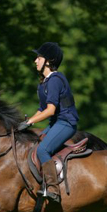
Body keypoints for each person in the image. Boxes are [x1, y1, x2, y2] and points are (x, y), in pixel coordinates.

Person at [17, 42, 79, 203]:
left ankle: (53, 189)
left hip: (66, 122)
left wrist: (30, 122)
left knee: (43, 150)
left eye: (38, 58)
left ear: (49, 61)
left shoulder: (55, 80)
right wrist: (26, 122)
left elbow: (50, 110)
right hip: (56, 122)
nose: (35, 61)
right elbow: (42, 109)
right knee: (34, 144)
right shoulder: (44, 83)